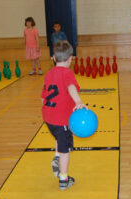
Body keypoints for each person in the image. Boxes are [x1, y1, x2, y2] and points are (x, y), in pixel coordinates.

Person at [41, 41, 86, 190]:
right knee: (65, 149)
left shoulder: (49, 73)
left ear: (53, 58)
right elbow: (71, 87)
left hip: (48, 118)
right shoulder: (67, 73)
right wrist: (78, 101)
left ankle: (56, 157)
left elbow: (43, 97)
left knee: (58, 137)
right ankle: (64, 179)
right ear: (70, 59)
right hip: (61, 120)